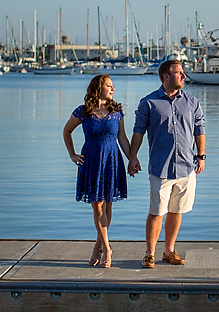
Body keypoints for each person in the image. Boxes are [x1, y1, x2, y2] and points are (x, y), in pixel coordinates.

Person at [128, 60, 205, 269]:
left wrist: (201, 155)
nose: (183, 76)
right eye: (179, 72)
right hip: (161, 167)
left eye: (183, 72)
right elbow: (138, 131)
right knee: (156, 211)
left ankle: (169, 251)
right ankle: (149, 253)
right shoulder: (148, 103)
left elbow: (199, 128)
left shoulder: (192, 102)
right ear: (165, 76)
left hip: (186, 166)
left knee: (177, 210)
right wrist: (133, 157)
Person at [63, 74, 133, 268]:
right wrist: (72, 154)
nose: (113, 89)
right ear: (98, 88)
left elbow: (123, 139)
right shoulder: (83, 111)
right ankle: (108, 249)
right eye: (109, 86)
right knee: (97, 205)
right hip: (92, 160)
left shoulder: (116, 111)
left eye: (112, 86)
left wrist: (132, 159)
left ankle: (98, 246)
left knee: (108, 205)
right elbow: (66, 131)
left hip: (111, 159)